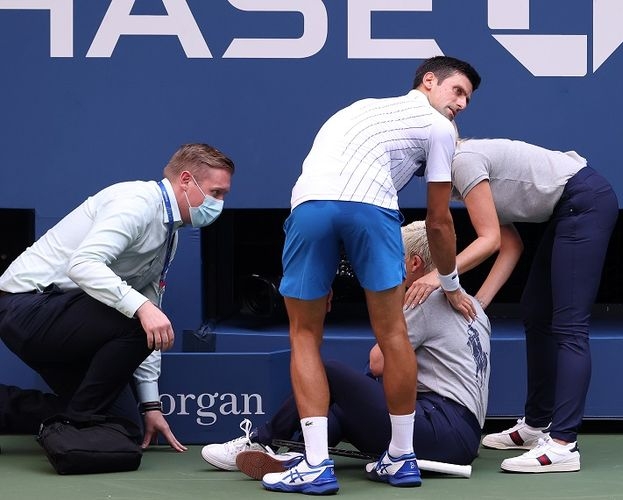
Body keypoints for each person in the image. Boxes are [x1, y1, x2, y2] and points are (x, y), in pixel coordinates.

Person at [266, 55, 481, 495]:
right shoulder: (440, 128)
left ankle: (314, 465)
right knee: (393, 334)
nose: (460, 104)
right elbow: (439, 223)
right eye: (457, 91)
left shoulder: (356, 109)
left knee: (304, 335)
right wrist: (451, 283)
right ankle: (401, 459)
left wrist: (321, 274)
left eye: (466, 99)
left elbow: (329, 188)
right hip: (372, 210)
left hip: (310, 208)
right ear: (428, 82)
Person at [200, 220, 491, 482]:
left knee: (330, 372)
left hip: (440, 428)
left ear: (415, 264)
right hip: (461, 438)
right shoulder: (474, 307)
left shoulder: (423, 298)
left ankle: (263, 439)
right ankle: (299, 454)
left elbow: (377, 363)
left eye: (393, 258)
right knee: (340, 409)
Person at [0, 143, 235, 454]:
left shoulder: (170, 234)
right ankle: (78, 423)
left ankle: (20, 410)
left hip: (67, 323)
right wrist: (140, 306)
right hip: (26, 307)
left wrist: (150, 404)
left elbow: (152, 325)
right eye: (216, 193)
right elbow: (83, 265)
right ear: (187, 180)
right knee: (140, 318)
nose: (219, 203)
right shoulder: (135, 203)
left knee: (123, 427)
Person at [404, 138, 619, 473]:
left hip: (585, 200)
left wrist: (440, 279)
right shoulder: (458, 176)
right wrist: (476, 305)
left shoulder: (464, 161)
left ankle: (563, 444)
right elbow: (511, 244)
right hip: (570, 206)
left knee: (570, 326)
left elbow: (489, 241)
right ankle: (536, 425)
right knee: (536, 310)